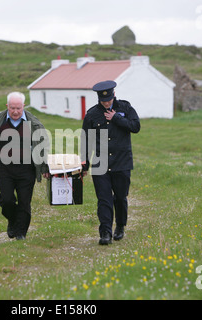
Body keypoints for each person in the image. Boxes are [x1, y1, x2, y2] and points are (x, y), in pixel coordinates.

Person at [0, 92, 49, 240]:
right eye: (12, 108)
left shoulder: (33, 123)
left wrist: (44, 168)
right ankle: (12, 219)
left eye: (18, 108)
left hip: (26, 169)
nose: (16, 111)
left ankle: (20, 234)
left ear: (23, 106)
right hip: (5, 168)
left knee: (25, 202)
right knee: (6, 200)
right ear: (7, 106)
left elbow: (42, 146)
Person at [81, 80, 141, 245]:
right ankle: (105, 233)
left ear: (114, 95)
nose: (106, 103)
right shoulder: (92, 114)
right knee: (104, 199)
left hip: (122, 162)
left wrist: (116, 118)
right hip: (100, 163)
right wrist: (84, 163)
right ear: (99, 98)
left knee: (120, 198)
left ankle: (120, 226)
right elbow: (86, 139)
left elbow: (136, 127)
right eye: (103, 101)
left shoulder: (125, 108)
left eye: (109, 100)